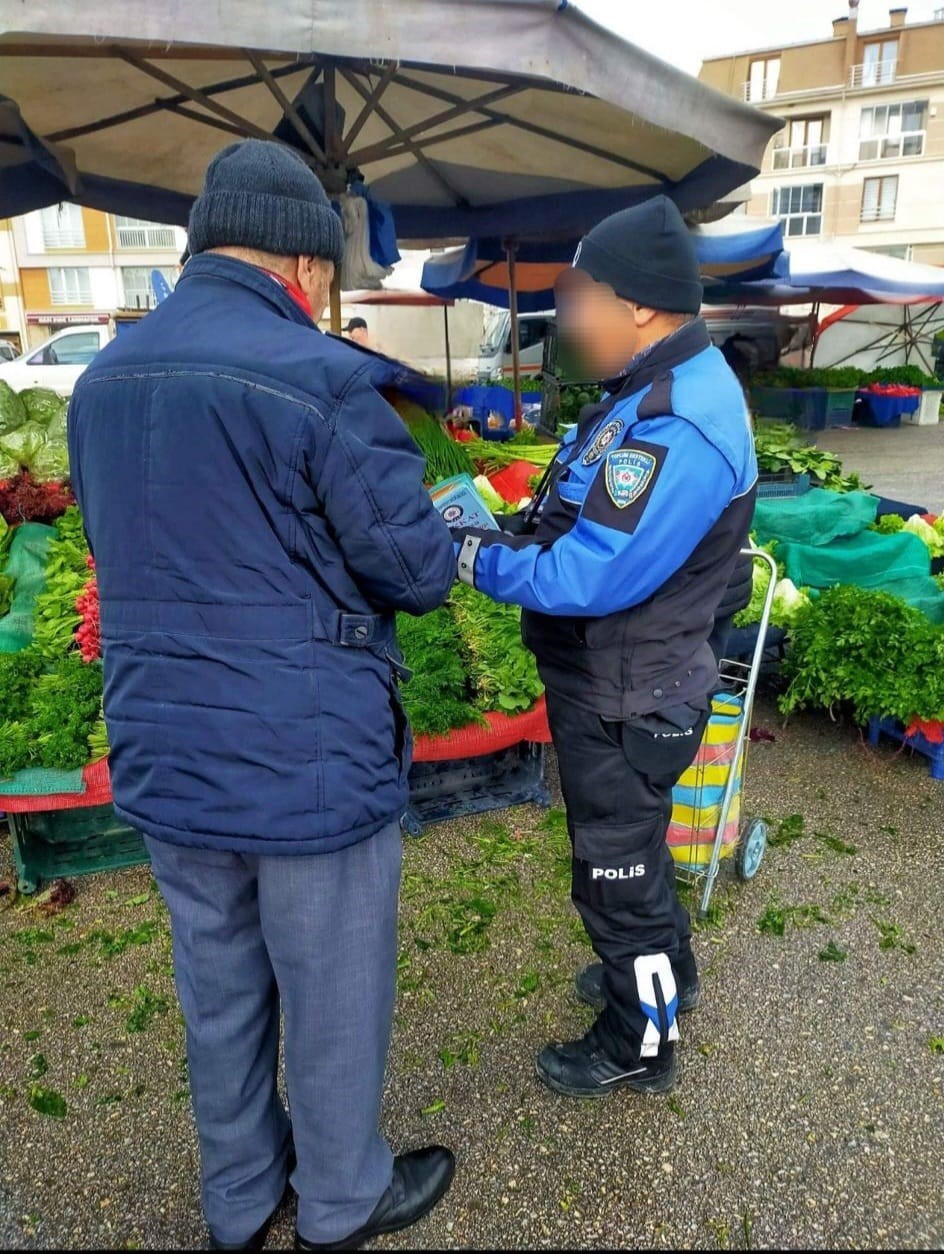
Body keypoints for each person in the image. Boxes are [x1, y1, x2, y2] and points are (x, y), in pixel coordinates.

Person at [68, 139, 457, 1251]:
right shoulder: (321, 376)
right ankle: (339, 1202)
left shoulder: (102, 380)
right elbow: (416, 570)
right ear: (305, 269)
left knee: (221, 993)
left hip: (164, 748)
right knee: (330, 996)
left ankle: (239, 1201)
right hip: (306, 764)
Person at [452, 195, 757, 1098]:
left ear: (638, 305)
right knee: (638, 859)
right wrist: (505, 526)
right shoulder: (648, 388)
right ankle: (670, 978)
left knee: (616, 883)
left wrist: (471, 558)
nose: (568, 318)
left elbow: (591, 572)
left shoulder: (679, 420)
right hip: (623, 680)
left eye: (581, 296)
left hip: (628, 694)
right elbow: (575, 512)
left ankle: (642, 1042)